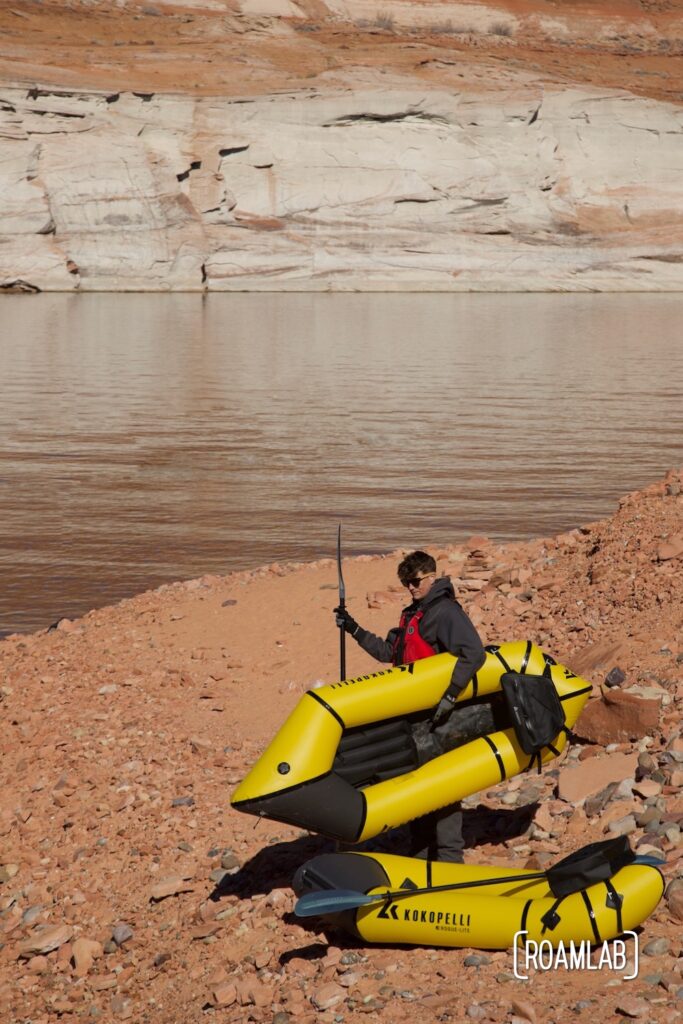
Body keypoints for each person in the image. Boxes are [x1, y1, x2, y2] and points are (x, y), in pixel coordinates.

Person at [334, 550, 487, 863]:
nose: (411, 587)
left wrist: (450, 696)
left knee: (442, 788)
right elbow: (389, 651)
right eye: (406, 582)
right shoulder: (412, 614)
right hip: (415, 721)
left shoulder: (445, 612)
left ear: (431, 576)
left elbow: (474, 652)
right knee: (417, 789)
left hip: (444, 719)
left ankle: (449, 863)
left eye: (416, 581)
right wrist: (354, 629)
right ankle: (419, 858)